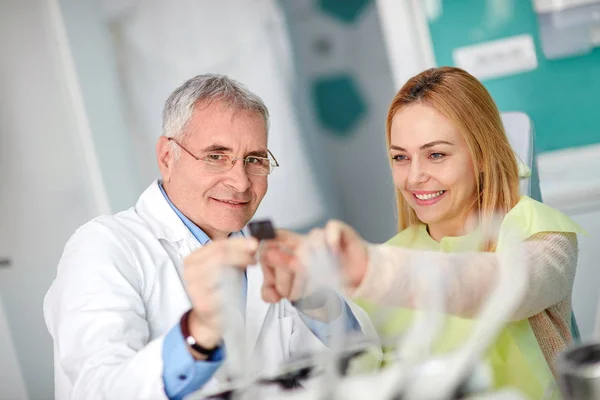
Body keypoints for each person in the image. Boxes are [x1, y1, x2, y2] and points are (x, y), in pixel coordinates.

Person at [43, 74, 377, 400]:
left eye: (254, 160)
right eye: (216, 156)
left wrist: (317, 301)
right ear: (166, 157)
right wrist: (197, 334)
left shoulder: (270, 246)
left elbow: (368, 365)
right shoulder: (104, 247)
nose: (241, 182)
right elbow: (98, 388)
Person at [264, 67, 585, 398]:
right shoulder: (391, 254)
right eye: (400, 157)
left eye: (436, 155)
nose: (414, 177)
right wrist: (318, 301)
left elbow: (505, 287)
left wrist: (370, 267)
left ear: (482, 156)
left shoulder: (542, 234)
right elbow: (367, 369)